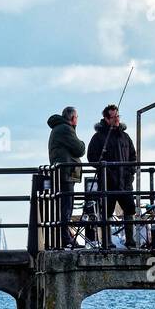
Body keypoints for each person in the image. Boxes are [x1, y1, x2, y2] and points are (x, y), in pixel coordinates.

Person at [86, 103, 138, 248]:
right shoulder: (98, 137)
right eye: (113, 116)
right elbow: (91, 156)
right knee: (107, 212)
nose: (116, 119)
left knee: (129, 209)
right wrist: (103, 166)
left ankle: (130, 241)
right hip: (108, 181)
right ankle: (107, 242)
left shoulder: (125, 137)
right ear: (106, 119)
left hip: (125, 181)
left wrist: (131, 172)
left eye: (117, 116)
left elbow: (133, 156)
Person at [46, 106, 86, 248]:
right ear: (73, 118)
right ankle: (65, 239)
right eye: (77, 117)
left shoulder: (59, 128)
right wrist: (81, 142)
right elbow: (80, 149)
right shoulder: (65, 129)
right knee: (66, 207)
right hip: (66, 174)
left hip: (63, 173)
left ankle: (64, 237)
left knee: (63, 207)